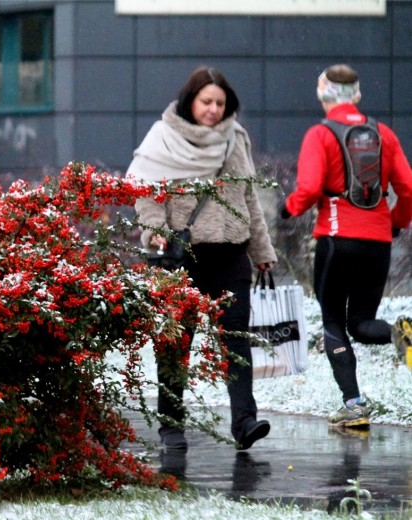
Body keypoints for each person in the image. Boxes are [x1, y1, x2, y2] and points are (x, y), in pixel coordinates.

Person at [128, 66, 278, 452]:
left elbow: (249, 198)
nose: (213, 109)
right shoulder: (164, 137)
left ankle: (244, 422)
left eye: (220, 103)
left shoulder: (235, 139)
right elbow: (146, 191)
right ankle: (170, 425)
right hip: (182, 256)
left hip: (232, 254)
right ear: (190, 101)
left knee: (236, 341)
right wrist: (155, 230)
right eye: (206, 101)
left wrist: (263, 252)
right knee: (175, 343)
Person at [280, 64, 412, 429]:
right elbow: (408, 188)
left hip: (337, 240)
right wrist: (396, 222)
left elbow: (306, 191)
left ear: (323, 93)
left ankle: (354, 406)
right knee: (363, 323)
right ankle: (401, 332)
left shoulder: (320, 134)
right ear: (357, 94)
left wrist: (288, 209)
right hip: (378, 242)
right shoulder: (384, 133)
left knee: (335, 323)